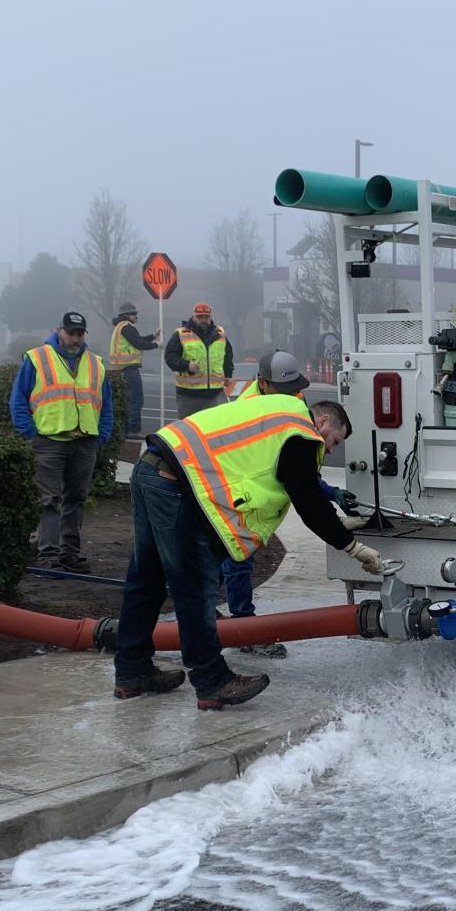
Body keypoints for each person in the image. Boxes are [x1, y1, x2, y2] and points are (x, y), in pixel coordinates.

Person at [113, 367, 383, 710]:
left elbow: (292, 482)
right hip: (175, 486)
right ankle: (212, 681)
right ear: (324, 422)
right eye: (334, 441)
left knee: (146, 580)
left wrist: (336, 516)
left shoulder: (276, 413)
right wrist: (351, 546)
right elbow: (306, 501)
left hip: (153, 468)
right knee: (194, 587)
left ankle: (132, 670)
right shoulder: (299, 431)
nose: (329, 450)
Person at [217, 352, 354, 661]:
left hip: (245, 486)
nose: (294, 395)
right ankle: (243, 628)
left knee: (222, 556)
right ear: (263, 383)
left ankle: (211, 612)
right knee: (238, 555)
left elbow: (295, 469)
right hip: (236, 489)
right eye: (332, 442)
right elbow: (284, 470)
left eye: (296, 388)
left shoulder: (289, 401)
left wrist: (331, 492)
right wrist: (347, 542)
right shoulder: (251, 410)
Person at [9, 310, 113, 573]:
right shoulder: (38, 358)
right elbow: (18, 399)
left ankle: (69, 554)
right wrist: (30, 433)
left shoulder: (95, 363)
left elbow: (106, 403)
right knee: (49, 499)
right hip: (49, 441)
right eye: (71, 332)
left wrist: (101, 435)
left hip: (84, 441)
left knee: (76, 499)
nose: (75, 338)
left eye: (79, 334)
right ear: (60, 331)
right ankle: (49, 554)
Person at [166, 302, 232, 418]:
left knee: (216, 428)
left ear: (211, 317)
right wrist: (186, 365)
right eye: (200, 317)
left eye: (206, 317)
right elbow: (170, 357)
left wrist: (228, 374)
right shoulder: (181, 334)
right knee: (189, 430)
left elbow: (228, 356)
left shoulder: (220, 334)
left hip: (215, 393)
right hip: (189, 394)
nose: (203, 320)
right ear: (193, 317)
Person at [103, 302, 157, 441]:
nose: (136, 316)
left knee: (124, 400)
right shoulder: (127, 327)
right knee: (136, 398)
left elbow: (136, 339)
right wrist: (157, 345)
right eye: (134, 313)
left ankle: (124, 430)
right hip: (127, 368)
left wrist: (152, 336)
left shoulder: (120, 327)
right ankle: (133, 429)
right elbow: (138, 343)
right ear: (126, 315)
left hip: (119, 368)